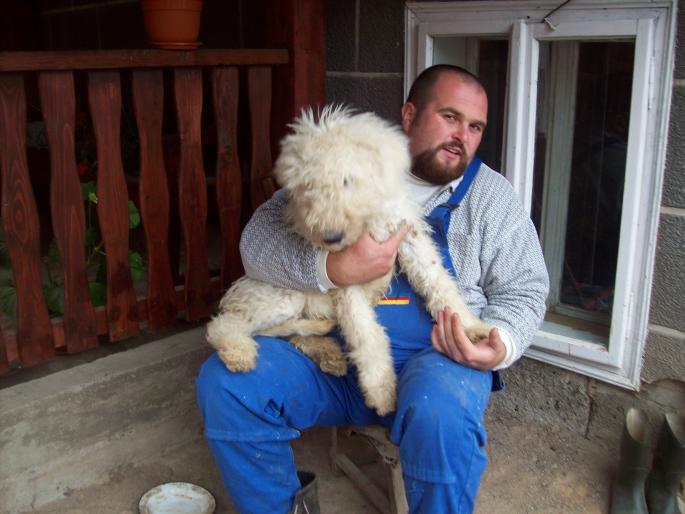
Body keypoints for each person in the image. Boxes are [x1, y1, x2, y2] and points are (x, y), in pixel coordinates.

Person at [196, 64, 550, 514]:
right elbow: (257, 243)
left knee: (440, 416)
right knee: (226, 385)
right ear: (408, 115)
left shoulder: (492, 197)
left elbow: (526, 290)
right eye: (449, 116)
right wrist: (333, 266)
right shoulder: (343, 161)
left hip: (438, 360)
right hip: (332, 355)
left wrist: (499, 347)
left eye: (475, 126)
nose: (462, 135)